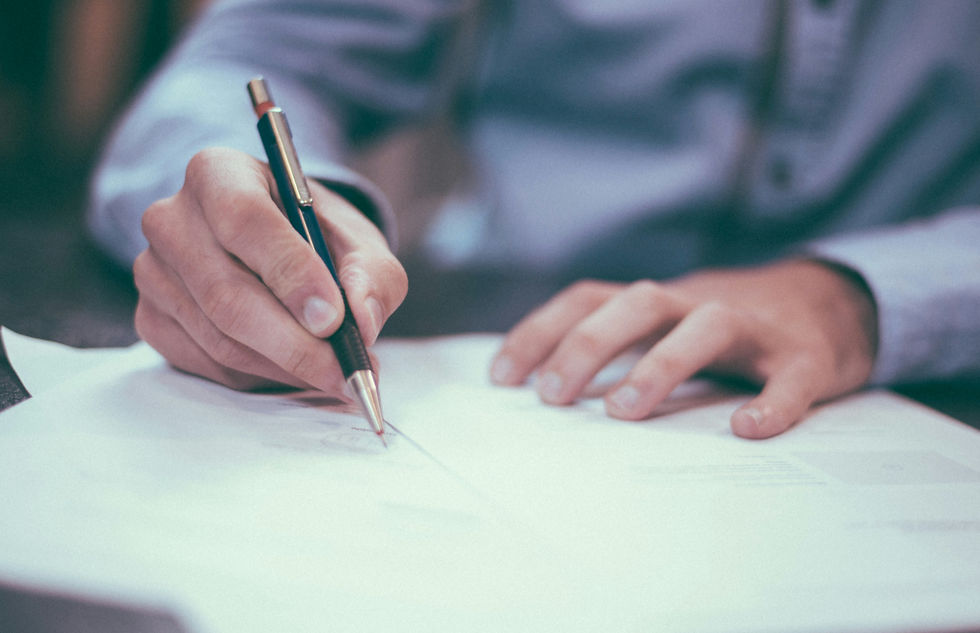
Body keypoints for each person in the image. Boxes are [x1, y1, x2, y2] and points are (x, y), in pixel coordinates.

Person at [88, 0, 980, 439]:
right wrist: (268, 217)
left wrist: (861, 297)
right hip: (501, 347)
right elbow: (257, 57)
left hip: (928, 377)